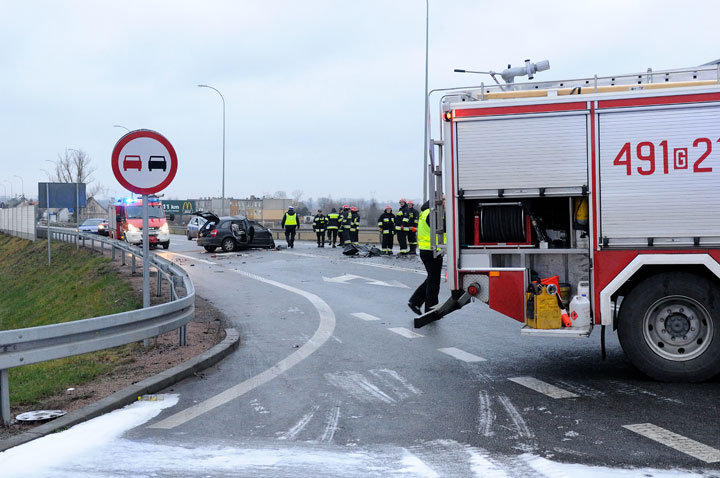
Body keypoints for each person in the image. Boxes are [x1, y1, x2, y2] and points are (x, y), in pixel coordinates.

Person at [408, 197, 446, 315]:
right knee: (434, 281)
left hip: (429, 250)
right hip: (431, 250)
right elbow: (441, 228)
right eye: (444, 199)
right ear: (437, 199)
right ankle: (430, 309)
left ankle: (415, 301)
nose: (446, 201)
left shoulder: (427, 211)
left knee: (432, 278)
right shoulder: (432, 213)